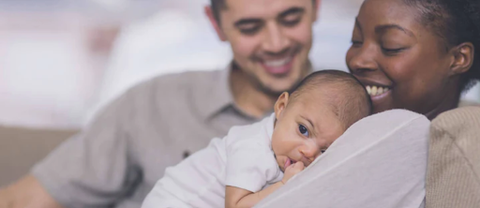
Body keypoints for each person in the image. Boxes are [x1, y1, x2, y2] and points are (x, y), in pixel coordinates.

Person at [0, 0, 320, 207]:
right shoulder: (153, 104)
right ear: (216, 25)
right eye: (250, 27)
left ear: (316, 8)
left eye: (291, 19)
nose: (276, 43)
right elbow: (26, 200)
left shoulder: (358, 121)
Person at [141, 70, 372, 208]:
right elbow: (236, 206)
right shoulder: (252, 147)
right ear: (282, 107)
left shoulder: (285, 154)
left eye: (325, 151)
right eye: (303, 129)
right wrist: (284, 186)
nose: (309, 152)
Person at [347, 0, 480, 120]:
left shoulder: (469, 143)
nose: (357, 61)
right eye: (356, 40)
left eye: (391, 47)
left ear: (458, 58)